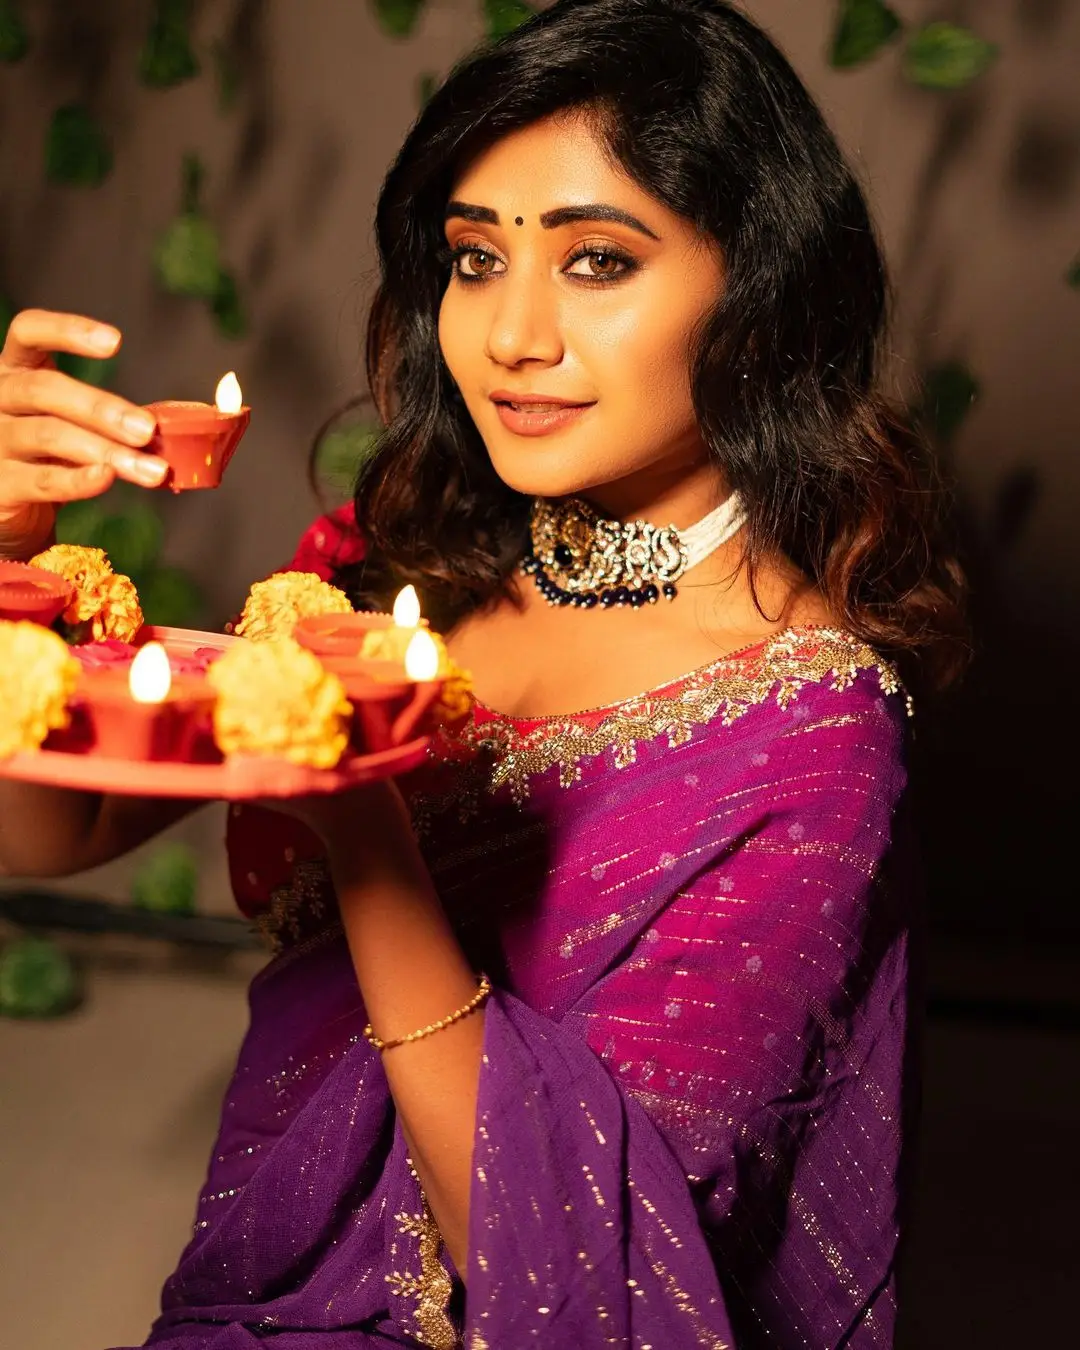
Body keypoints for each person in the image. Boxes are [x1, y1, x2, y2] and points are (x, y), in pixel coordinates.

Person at [0, 1, 968, 1345]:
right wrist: (12, 559)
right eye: (473, 258)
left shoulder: (808, 733)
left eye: (596, 262)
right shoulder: (404, 569)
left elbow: (589, 1275)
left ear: (759, 284)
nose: (512, 334)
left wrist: (367, 824)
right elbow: (59, 825)